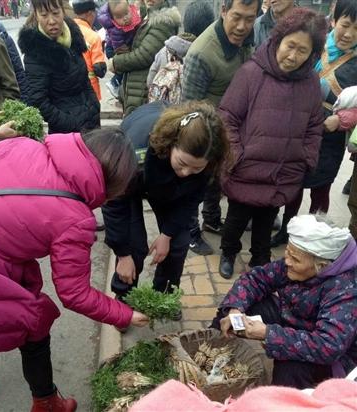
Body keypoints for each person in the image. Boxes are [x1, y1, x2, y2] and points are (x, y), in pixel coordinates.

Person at [0, 128, 149, 412]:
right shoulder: (75, 219)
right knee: (34, 325)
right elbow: (74, 294)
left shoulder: (20, 145)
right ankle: (46, 401)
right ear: (112, 186)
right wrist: (126, 313)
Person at [218, 8, 326, 278]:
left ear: (312, 53)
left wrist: (306, 158)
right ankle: (228, 252)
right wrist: (236, 156)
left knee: (265, 222)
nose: (293, 56)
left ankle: (259, 261)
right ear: (279, 39)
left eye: (303, 51)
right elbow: (227, 117)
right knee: (236, 219)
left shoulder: (311, 82)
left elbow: (315, 125)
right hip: (246, 169)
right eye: (291, 46)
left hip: (283, 172)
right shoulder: (251, 73)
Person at [102, 101, 230, 318]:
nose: (186, 173)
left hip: (167, 188)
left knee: (178, 243)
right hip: (133, 181)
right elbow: (114, 203)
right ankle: (123, 300)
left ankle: (163, 297)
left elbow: (190, 201)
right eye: (182, 163)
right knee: (134, 247)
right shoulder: (136, 150)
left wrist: (167, 234)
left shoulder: (208, 163)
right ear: (171, 145)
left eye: (196, 168)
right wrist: (122, 254)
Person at [212, 214, 357, 389]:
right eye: (287, 251)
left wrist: (267, 333)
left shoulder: (346, 290)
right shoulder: (299, 257)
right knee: (231, 316)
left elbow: (328, 346)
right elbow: (257, 279)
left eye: (295, 259)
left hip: (328, 350)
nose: (286, 261)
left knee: (288, 372)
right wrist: (235, 310)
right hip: (292, 318)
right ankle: (211, 358)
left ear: (323, 266)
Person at [271, 0, 357, 248]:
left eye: (356, 29)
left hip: (330, 137)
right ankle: (287, 230)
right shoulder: (315, 45)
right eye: (346, 24)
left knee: (321, 188)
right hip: (298, 129)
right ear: (334, 19)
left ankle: (316, 237)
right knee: (294, 183)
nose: (349, 34)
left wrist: (340, 120)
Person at [182, 0, 261, 256]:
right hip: (205, 129)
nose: (242, 26)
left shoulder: (247, 39)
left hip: (229, 131)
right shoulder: (201, 53)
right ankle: (190, 233)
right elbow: (189, 108)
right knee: (195, 183)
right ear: (224, 11)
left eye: (249, 19)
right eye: (236, 17)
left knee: (217, 180)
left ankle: (212, 219)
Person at [18, 0, 100, 134]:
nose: (51, 21)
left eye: (56, 13)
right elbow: (38, 101)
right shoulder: (35, 52)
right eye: (44, 15)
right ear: (36, 16)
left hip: (92, 122)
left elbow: (85, 81)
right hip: (66, 133)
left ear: (63, 11)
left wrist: (95, 106)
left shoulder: (74, 38)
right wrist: (71, 122)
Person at [108, 0, 181, 116]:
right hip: (136, 92)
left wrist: (116, 63)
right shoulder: (144, 16)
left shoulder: (162, 21)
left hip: (143, 94)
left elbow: (144, 55)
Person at [98, 0, 142, 99]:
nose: (125, 18)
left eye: (126, 13)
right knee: (122, 67)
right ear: (113, 19)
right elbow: (118, 45)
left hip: (123, 44)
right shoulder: (116, 30)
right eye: (119, 17)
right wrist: (126, 54)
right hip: (115, 49)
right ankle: (113, 83)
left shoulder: (131, 16)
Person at [72, 0, 106, 101]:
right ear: (89, 13)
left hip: (69, 87)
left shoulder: (66, 30)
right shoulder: (93, 37)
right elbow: (99, 70)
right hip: (90, 90)